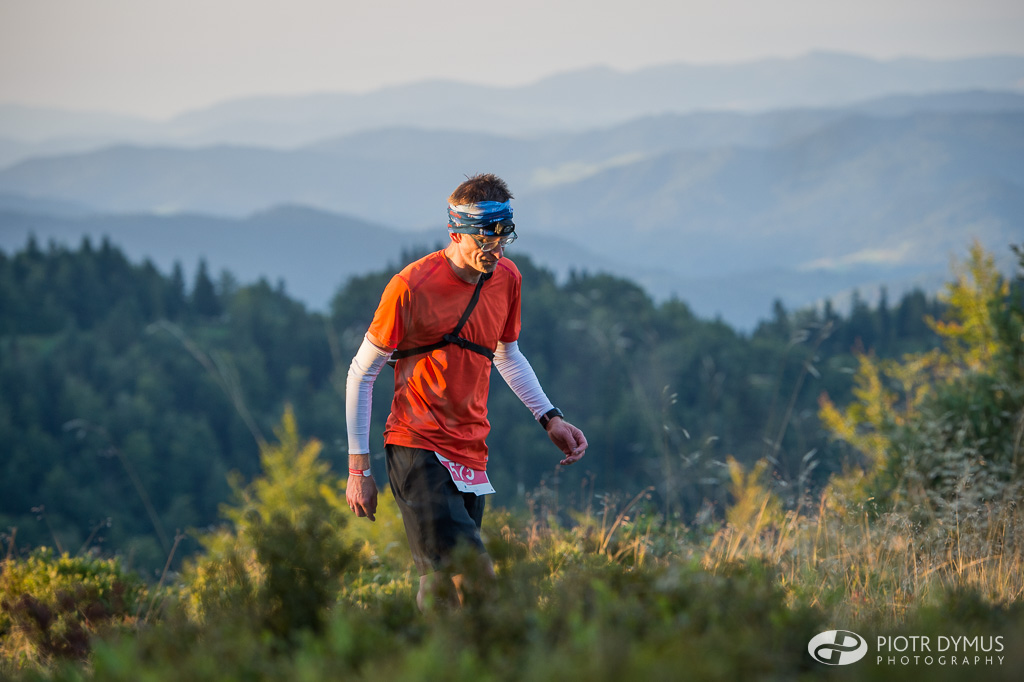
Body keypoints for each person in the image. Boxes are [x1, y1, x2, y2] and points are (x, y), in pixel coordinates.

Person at [345, 173, 588, 609]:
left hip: (471, 452)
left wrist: (549, 417)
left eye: (502, 239)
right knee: (476, 578)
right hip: (417, 445)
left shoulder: (507, 278)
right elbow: (362, 374)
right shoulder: (410, 287)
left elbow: (506, 353)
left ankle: (427, 647)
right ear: (455, 232)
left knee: (439, 583)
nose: (495, 251)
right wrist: (358, 470)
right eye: (484, 240)